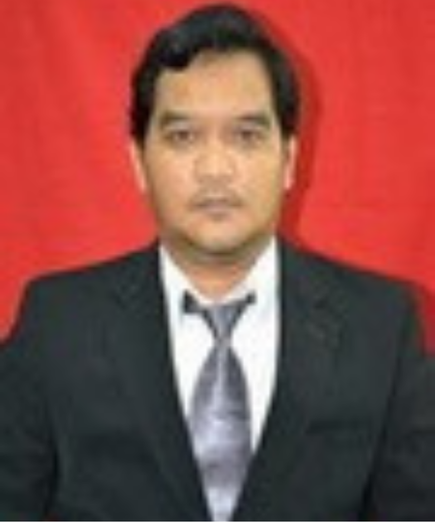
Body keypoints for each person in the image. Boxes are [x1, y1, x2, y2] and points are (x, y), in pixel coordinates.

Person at [1, 3, 435, 520]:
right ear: (139, 162)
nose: (215, 168)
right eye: (183, 136)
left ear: (289, 159)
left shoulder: (381, 327)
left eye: (246, 136)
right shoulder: (57, 323)